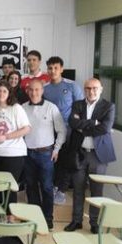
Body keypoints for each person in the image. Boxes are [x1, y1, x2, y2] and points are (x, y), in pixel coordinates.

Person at [65, 78, 116, 234]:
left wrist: (84, 125)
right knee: (78, 189)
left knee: (96, 191)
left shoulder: (108, 106)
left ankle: (94, 223)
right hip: (79, 153)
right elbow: (73, 123)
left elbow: (105, 128)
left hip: (98, 156)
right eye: (88, 88)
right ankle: (77, 220)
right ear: (84, 89)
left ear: (101, 89)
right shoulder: (77, 104)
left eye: (94, 88)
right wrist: (94, 123)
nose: (91, 91)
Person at [22, 80, 66, 230]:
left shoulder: (51, 107)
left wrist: (57, 149)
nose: (34, 93)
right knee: (31, 187)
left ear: (42, 91)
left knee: (47, 187)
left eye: (37, 90)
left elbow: (62, 130)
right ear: (28, 91)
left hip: (46, 154)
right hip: (27, 154)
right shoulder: (22, 108)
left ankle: (48, 218)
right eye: (31, 90)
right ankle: (35, 217)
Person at [0, 81, 31, 206]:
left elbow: (26, 129)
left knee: (9, 187)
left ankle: (10, 216)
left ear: (9, 93)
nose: (1, 93)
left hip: (12, 154)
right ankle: (0, 214)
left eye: (4, 91)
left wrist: (6, 137)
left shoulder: (16, 108)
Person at [43, 56, 84, 204]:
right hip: (48, 131)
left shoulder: (72, 86)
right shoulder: (45, 88)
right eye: (50, 68)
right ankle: (51, 187)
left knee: (65, 161)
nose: (52, 71)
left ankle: (61, 190)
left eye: (55, 68)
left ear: (61, 69)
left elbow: (81, 108)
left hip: (68, 131)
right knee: (51, 160)